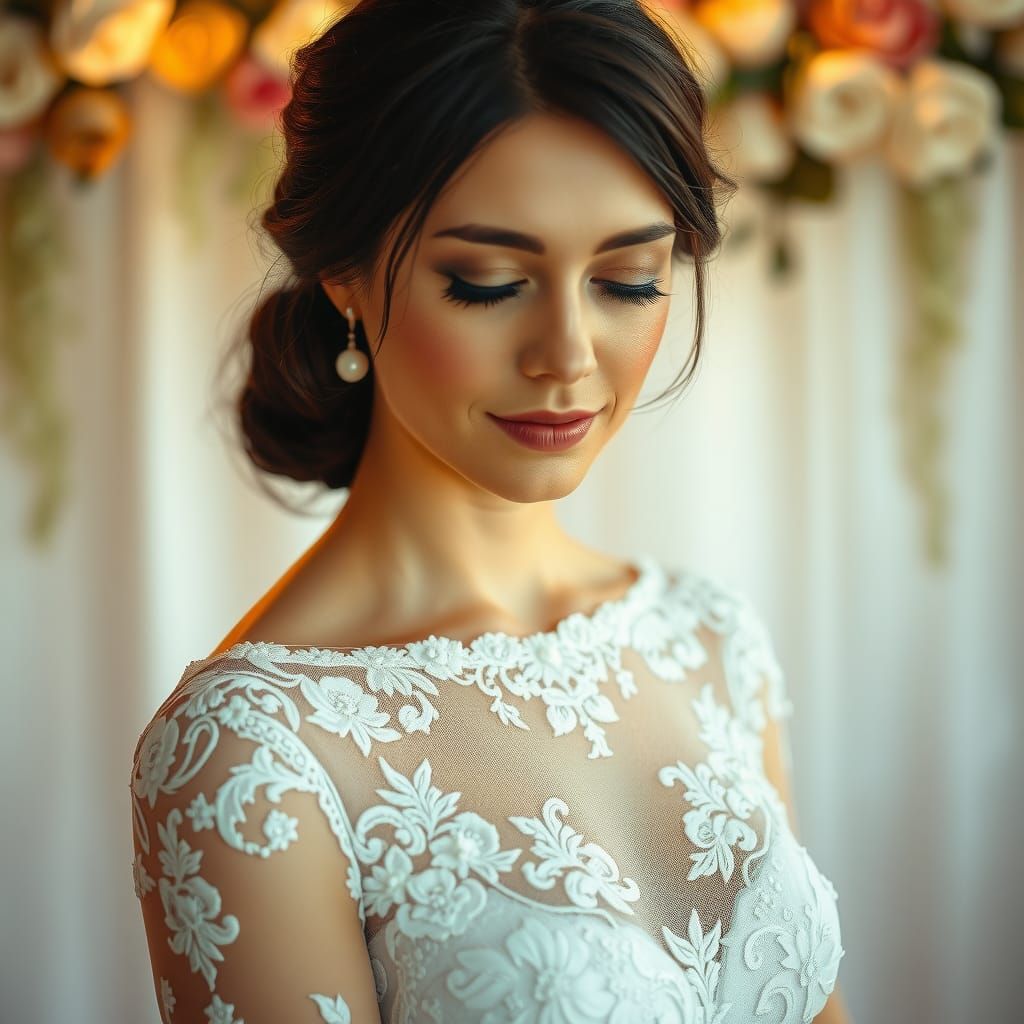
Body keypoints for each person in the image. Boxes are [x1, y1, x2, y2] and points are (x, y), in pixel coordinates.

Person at [130, 1, 851, 1021]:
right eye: (486, 283)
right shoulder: (251, 755)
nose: (566, 353)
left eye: (627, 280)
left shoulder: (708, 639)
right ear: (342, 271)